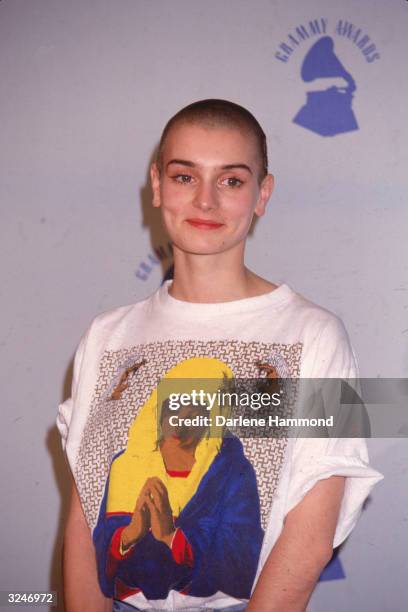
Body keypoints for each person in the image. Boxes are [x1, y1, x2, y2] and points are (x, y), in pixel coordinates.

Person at [57, 99, 383, 612]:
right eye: (186, 177)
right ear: (158, 185)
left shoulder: (317, 335)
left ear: (262, 194)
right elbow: (84, 516)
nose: (206, 201)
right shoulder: (107, 335)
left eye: (231, 181)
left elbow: (311, 535)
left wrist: (177, 542)